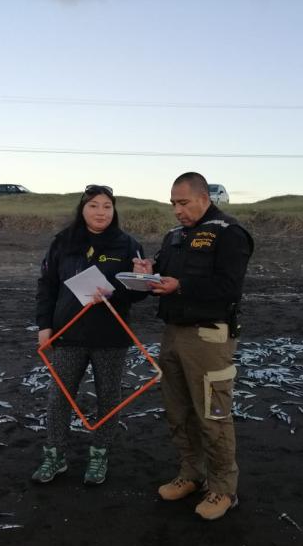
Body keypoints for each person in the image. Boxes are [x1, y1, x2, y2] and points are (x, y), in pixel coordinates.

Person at [134, 172, 254, 520]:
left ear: (204, 198)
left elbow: (229, 288)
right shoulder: (174, 237)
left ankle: (223, 489)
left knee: (213, 413)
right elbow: (164, 276)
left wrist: (181, 286)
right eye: (173, 203)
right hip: (172, 334)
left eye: (183, 202)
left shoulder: (229, 234)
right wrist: (148, 271)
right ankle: (191, 473)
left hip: (209, 336)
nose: (177, 210)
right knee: (178, 410)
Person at [33, 184, 146, 486]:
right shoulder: (63, 242)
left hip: (110, 337)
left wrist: (134, 282)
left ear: (114, 210)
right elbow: (47, 286)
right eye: (94, 205)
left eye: (107, 206)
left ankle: (99, 454)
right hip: (68, 334)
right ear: (82, 209)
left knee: (108, 399)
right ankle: (55, 455)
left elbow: (139, 294)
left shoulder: (128, 244)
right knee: (59, 397)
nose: (100, 212)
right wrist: (45, 327)